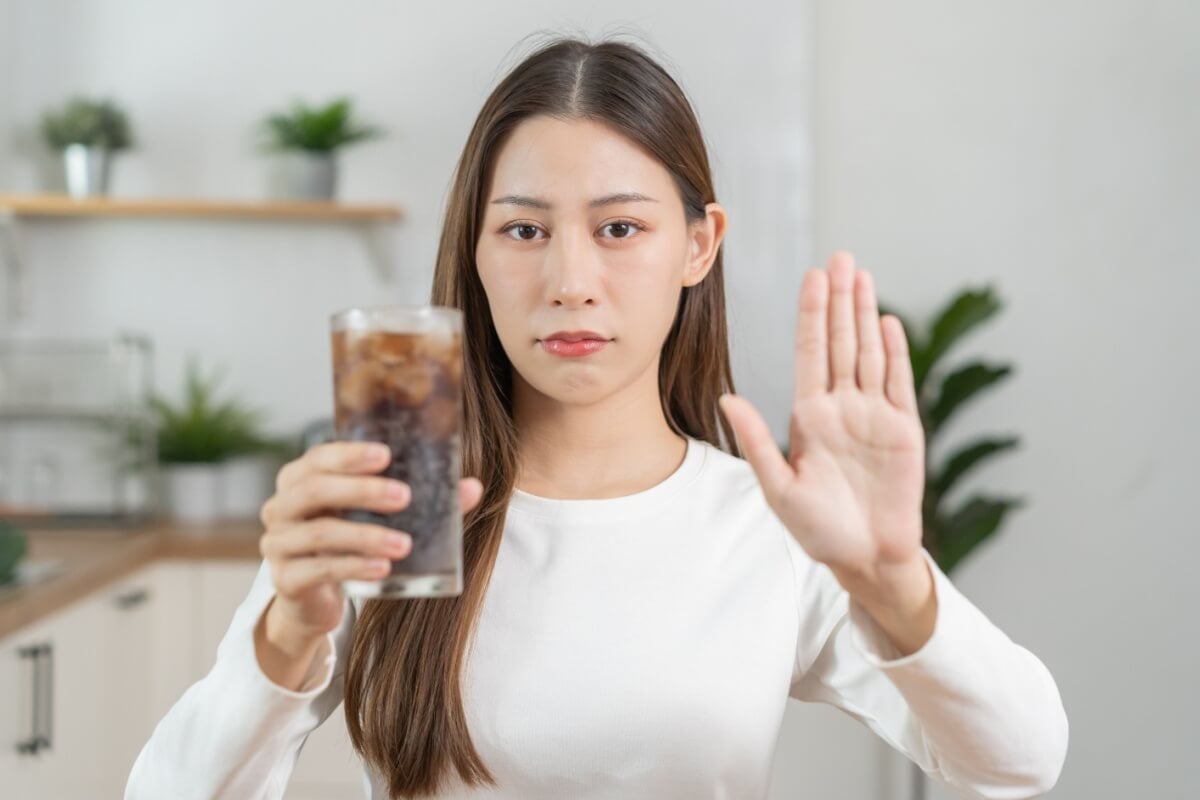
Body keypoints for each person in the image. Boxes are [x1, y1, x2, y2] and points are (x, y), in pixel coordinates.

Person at [126, 35, 1068, 800]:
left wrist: (893, 580)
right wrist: (289, 627)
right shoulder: (392, 510)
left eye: (620, 228)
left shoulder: (770, 527)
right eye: (525, 230)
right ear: (478, 252)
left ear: (700, 246)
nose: (571, 283)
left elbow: (1020, 758)